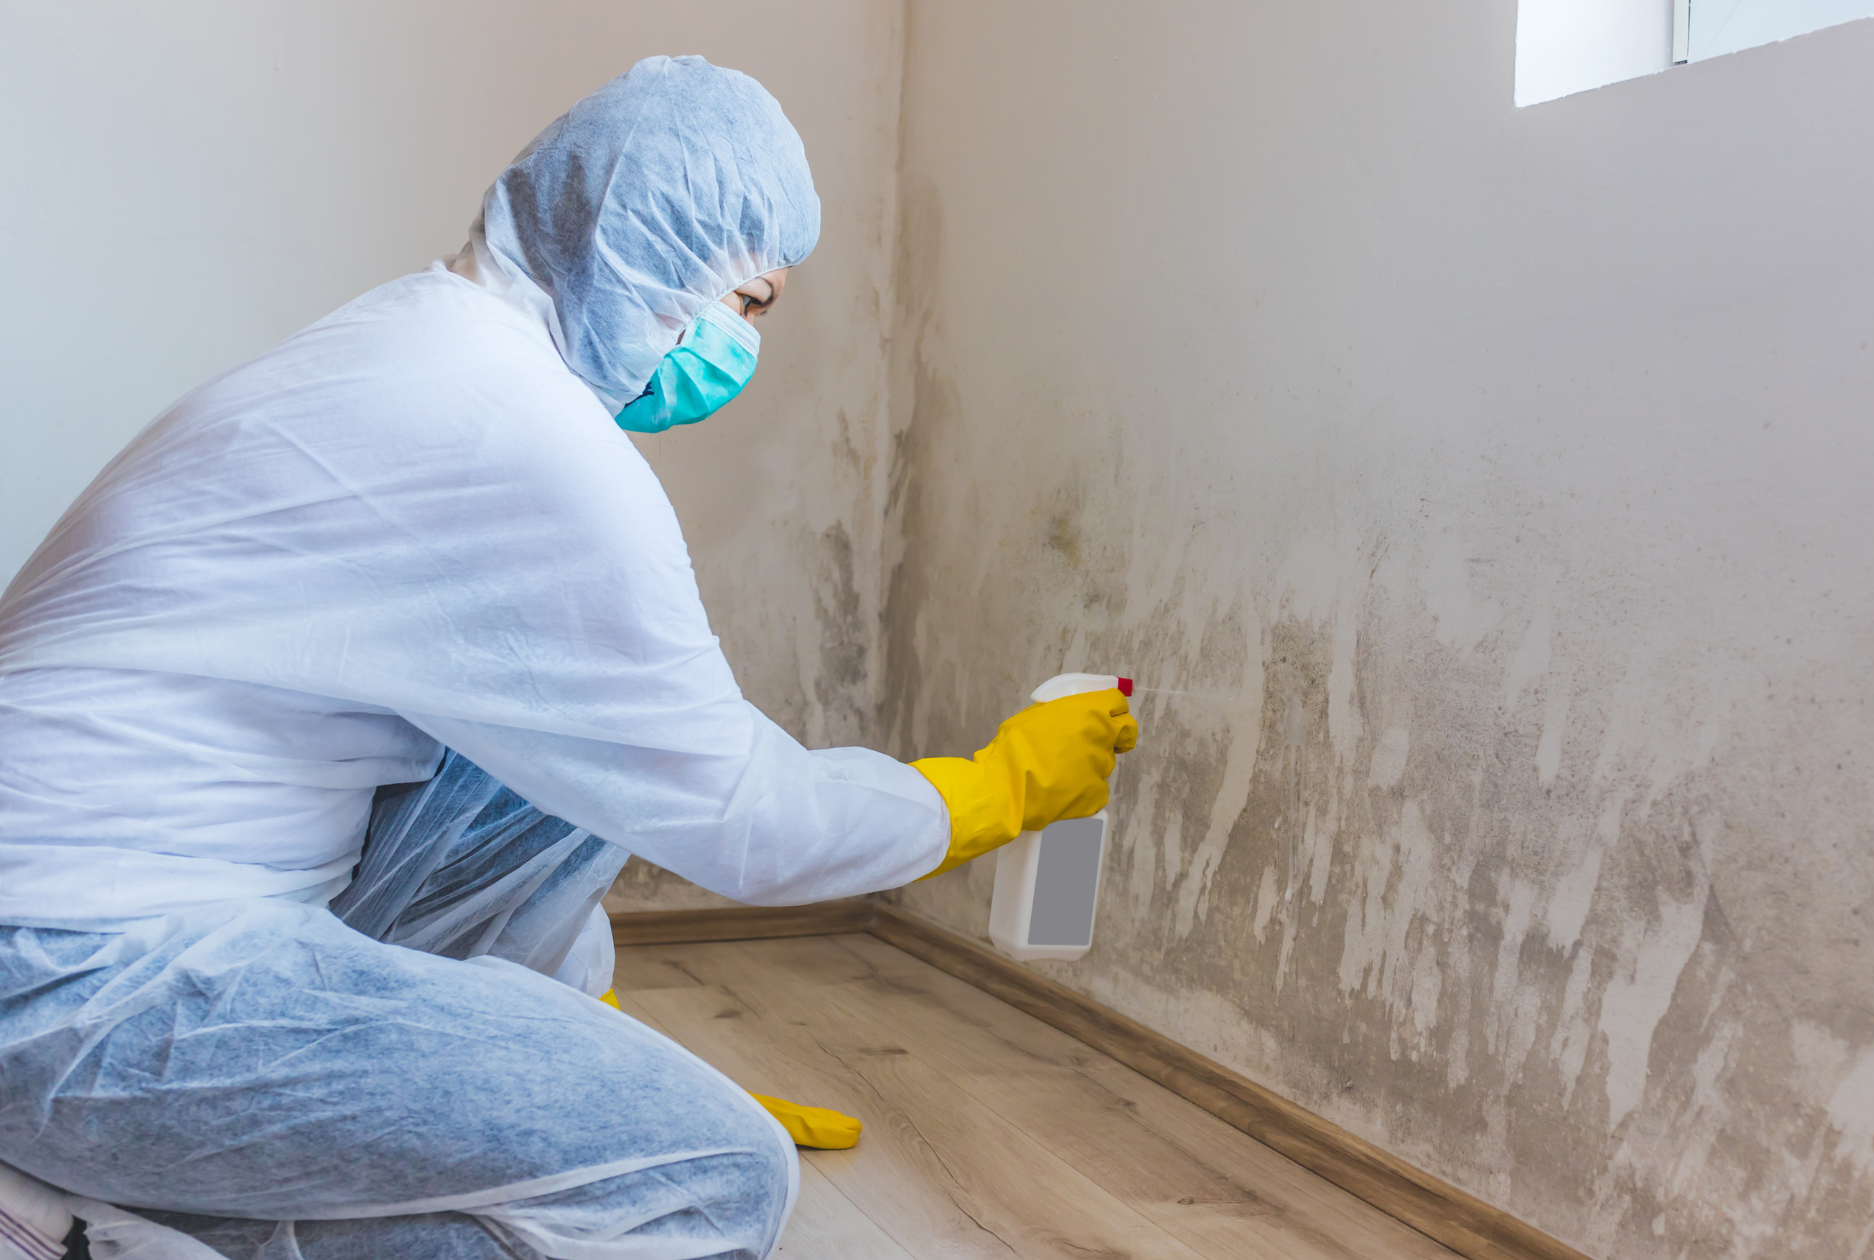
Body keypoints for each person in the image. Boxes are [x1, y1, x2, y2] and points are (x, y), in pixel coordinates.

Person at [0, 55, 1135, 1260]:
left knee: (551, 772)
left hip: (84, 920)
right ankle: (104, 1224)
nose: (743, 350)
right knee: (712, 1178)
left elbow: (601, 784)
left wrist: (582, 1068)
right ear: (645, 248)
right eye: (747, 305)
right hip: (80, 987)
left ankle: (217, 1171)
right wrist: (995, 792)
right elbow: (746, 817)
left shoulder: (410, 344)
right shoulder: (523, 438)